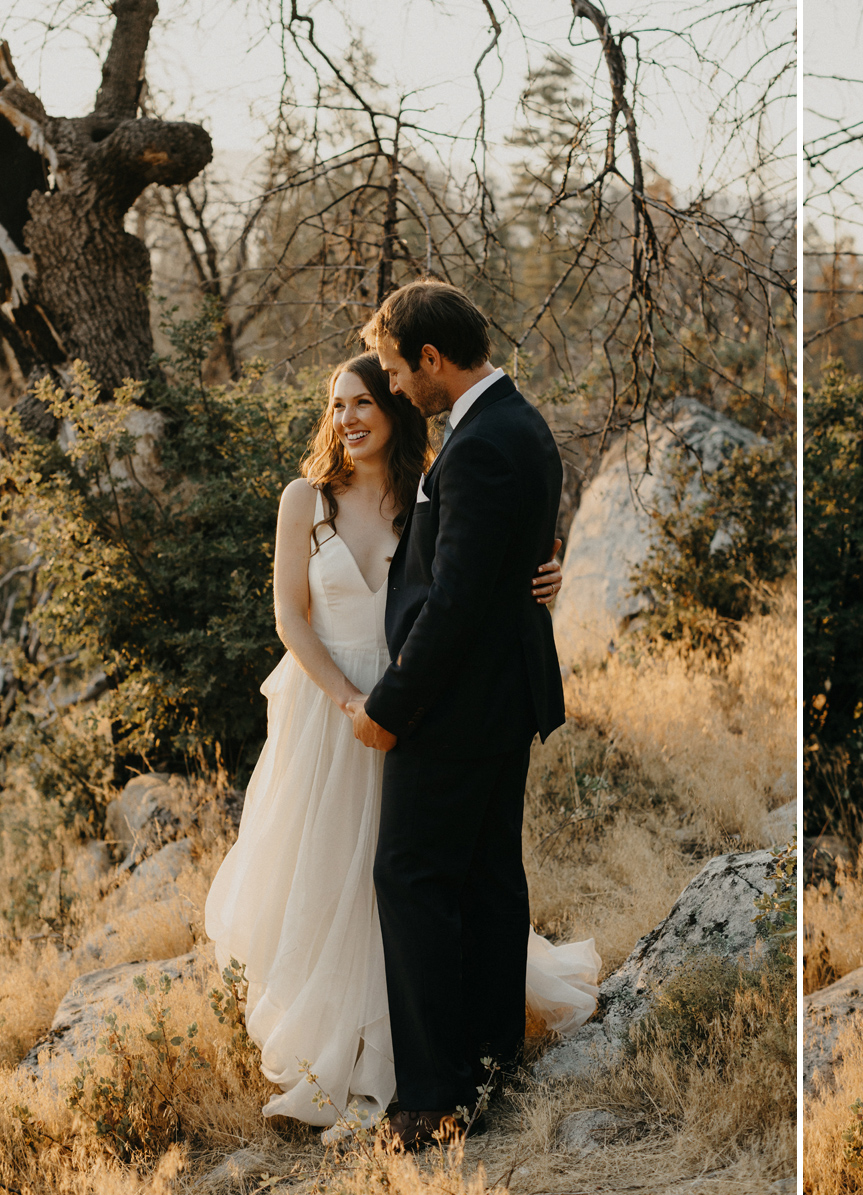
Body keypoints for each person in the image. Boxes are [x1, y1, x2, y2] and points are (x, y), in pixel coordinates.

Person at [205, 351, 597, 1143]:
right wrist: (350, 699)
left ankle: (414, 1056)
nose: (347, 419)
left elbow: (473, 577)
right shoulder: (303, 499)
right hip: (328, 711)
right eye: (337, 405)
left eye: (363, 403)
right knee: (331, 879)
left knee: (407, 882)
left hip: (421, 708)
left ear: (396, 406)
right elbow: (290, 619)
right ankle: (342, 1051)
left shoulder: (428, 492)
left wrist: (542, 575)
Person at [345, 280, 570, 1150]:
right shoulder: (515, 421)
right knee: (483, 882)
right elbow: (508, 556)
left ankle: (429, 1100)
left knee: (412, 881)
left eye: (401, 371)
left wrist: (390, 705)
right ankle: (488, 1069)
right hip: (496, 700)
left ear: (433, 360)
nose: (397, 387)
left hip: (454, 706)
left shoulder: (480, 443)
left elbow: (459, 601)